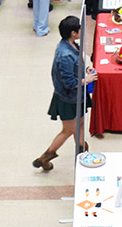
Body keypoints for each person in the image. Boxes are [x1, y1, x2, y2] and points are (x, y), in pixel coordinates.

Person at [35, 16, 95, 171]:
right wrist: (86, 79)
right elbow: (69, 83)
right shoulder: (65, 55)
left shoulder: (71, 45)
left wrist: (85, 69)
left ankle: (82, 151)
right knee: (68, 130)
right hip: (69, 99)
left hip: (77, 97)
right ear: (73, 32)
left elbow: (76, 68)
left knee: (80, 124)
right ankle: (46, 156)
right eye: (79, 29)